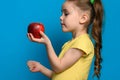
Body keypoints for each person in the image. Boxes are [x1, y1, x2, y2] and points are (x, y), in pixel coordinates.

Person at [27, 0, 104, 80]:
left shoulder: (83, 42)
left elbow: (58, 67)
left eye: (66, 14)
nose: (61, 17)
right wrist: (41, 68)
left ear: (83, 18)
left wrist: (47, 44)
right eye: (62, 13)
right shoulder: (69, 44)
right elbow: (60, 76)